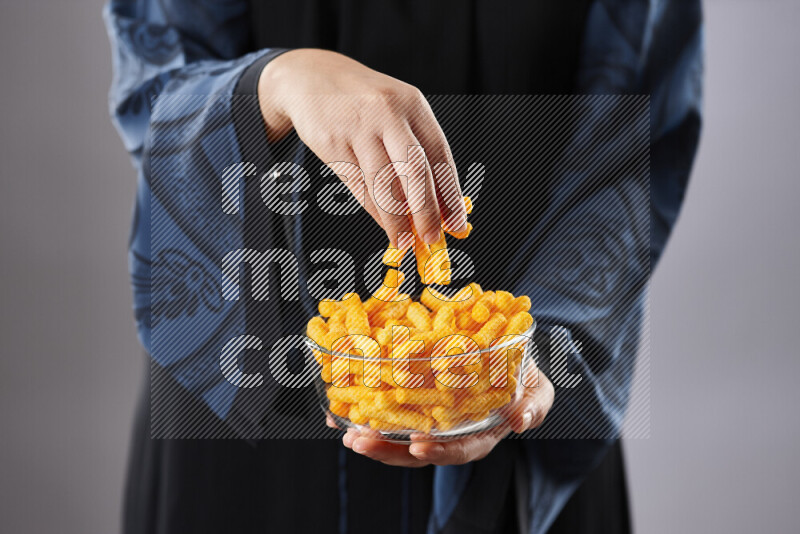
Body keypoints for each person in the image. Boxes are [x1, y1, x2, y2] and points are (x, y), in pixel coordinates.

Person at [104, 1, 702, 533]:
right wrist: (277, 84)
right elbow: (154, 89)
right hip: (244, 421)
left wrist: (528, 350)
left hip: (516, 396)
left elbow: (632, 138)